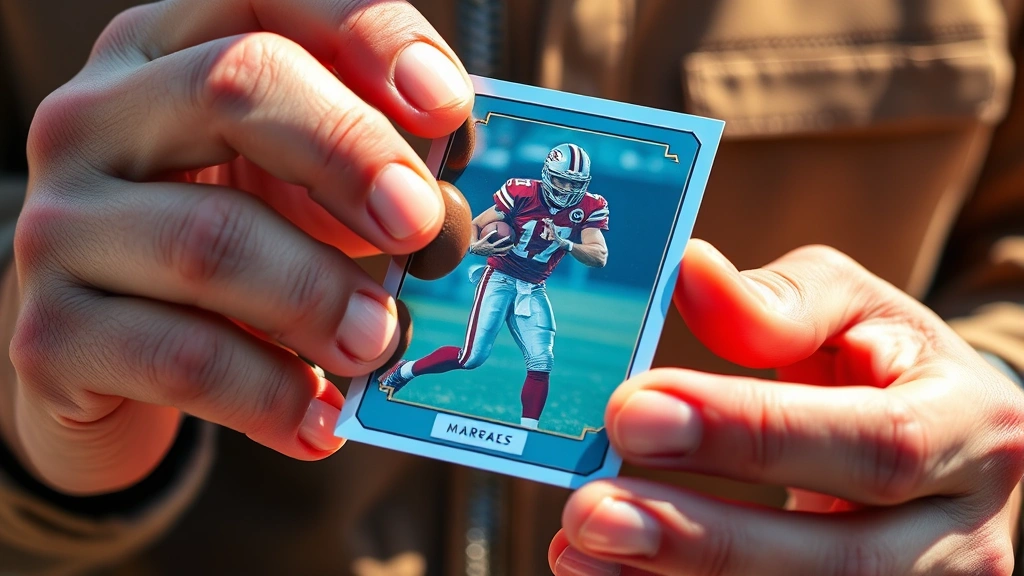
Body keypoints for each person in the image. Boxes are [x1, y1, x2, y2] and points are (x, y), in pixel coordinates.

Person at [0, 1, 1022, 575]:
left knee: (532, 358)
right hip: (472, 292)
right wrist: (39, 426)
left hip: (625, 451)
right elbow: (479, 226)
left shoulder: (569, 203)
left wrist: (978, 423)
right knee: (476, 349)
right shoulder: (526, 196)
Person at [379, 143, 609, 429]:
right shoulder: (521, 191)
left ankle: (529, 431)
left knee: (542, 360)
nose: (565, 188)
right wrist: (477, 248)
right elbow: (475, 225)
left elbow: (599, 256)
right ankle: (405, 371)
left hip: (534, 286)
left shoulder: (590, 206)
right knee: (471, 357)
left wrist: (566, 243)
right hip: (500, 278)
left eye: (574, 183)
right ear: (548, 173)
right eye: (561, 179)